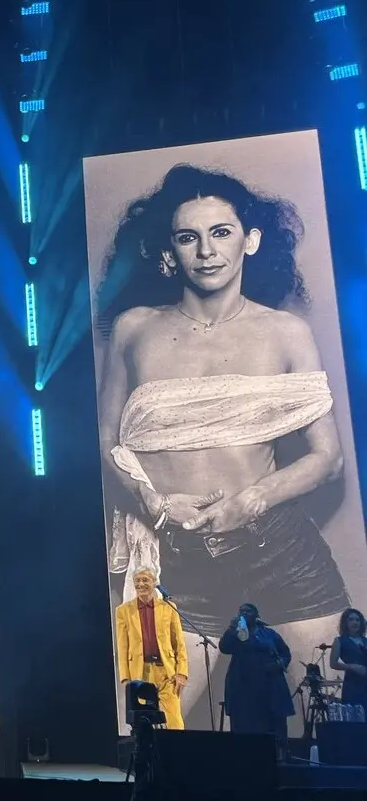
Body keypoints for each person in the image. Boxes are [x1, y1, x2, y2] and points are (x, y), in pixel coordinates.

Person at [97, 164, 349, 726]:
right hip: (172, 562)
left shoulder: (286, 332)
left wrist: (248, 502)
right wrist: (155, 505)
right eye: (189, 237)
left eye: (221, 233)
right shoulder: (134, 329)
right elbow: (107, 444)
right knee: (150, 738)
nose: (206, 251)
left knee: (328, 724)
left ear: (250, 241)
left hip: (278, 551)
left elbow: (326, 458)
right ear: (170, 251)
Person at [115, 568, 187, 729]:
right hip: (139, 672)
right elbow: (122, 645)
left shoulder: (168, 608)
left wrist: (182, 673)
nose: (141, 584)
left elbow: (179, 643)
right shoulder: (123, 611)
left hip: (166, 671)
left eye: (145, 580)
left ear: (154, 583)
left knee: (174, 720)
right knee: (144, 722)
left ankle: (179, 751)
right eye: (137, 581)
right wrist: (126, 678)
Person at [219, 603, 293, 746]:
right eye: (241, 611)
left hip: (269, 688)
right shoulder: (237, 633)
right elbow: (224, 647)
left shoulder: (269, 634)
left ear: (256, 615)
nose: (244, 613)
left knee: (274, 731)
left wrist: (279, 664)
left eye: (248, 611)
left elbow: (285, 653)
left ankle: (279, 758)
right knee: (245, 731)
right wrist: (231, 627)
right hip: (243, 689)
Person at [331, 607, 367, 712]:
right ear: (345, 623)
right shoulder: (339, 641)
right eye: (351, 619)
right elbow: (333, 663)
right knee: (355, 716)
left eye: (357, 620)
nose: (355, 622)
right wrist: (351, 666)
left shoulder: (365, 640)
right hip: (352, 684)